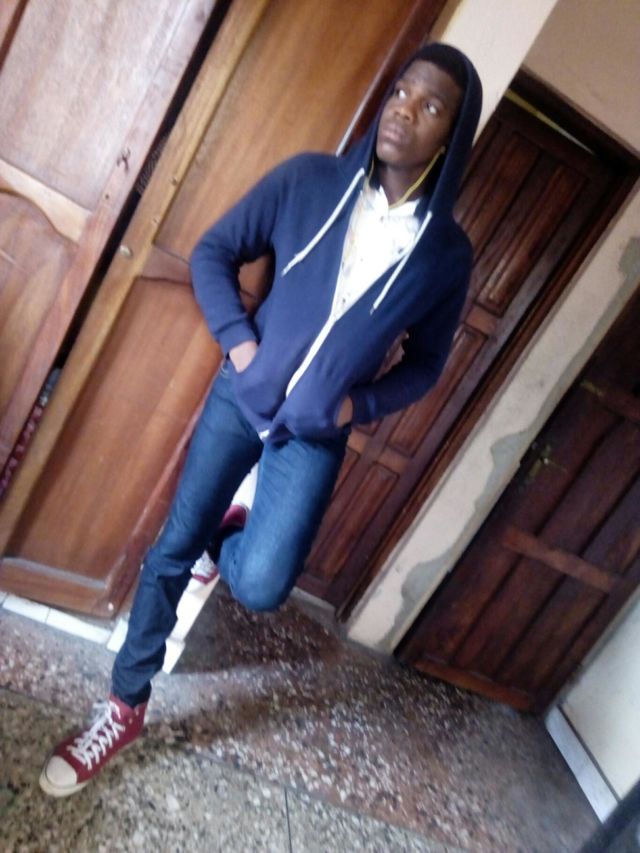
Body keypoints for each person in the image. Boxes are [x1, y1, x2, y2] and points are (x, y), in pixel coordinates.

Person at [39, 42, 482, 797]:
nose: (404, 110)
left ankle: (229, 539)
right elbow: (215, 253)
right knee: (172, 546)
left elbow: (427, 363)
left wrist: (356, 405)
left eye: (430, 105)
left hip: (315, 431)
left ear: (453, 133)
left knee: (265, 582)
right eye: (401, 92)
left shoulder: (445, 255)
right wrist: (243, 350)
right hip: (241, 399)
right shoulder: (310, 181)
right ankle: (123, 706)